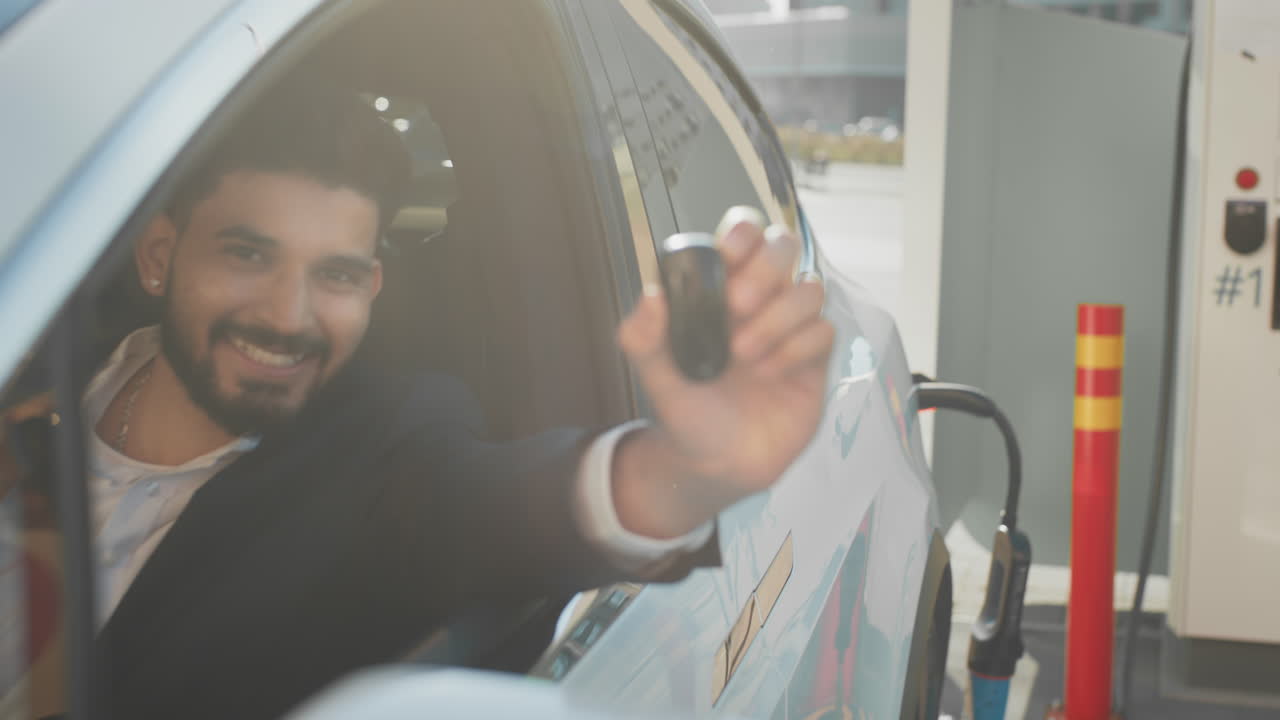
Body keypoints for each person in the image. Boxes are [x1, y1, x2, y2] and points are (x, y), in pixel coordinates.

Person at [0, 84, 833, 719]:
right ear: (158, 256)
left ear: (372, 287)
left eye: (335, 275)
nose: (289, 317)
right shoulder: (28, 353)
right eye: (248, 255)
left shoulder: (385, 449)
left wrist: (685, 470)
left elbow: (492, 509)